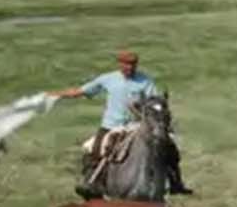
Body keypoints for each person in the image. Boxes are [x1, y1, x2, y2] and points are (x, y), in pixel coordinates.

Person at [56, 49, 191, 196]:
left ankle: (175, 182)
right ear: (119, 64)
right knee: (95, 149)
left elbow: (154, 101)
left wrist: (145, 112)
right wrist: (55, 95)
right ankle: (92, 183)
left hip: (136, 126)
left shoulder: (145, 81)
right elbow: (81, 91)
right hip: (111, 125)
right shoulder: (107, 79)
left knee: (169, 146)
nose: (130, 68)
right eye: (126, 64)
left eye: (133, 64)